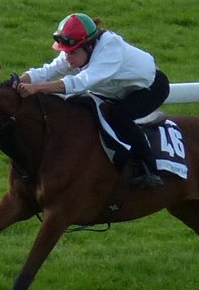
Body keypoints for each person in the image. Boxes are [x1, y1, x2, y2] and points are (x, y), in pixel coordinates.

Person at [14, 12, 170, 187]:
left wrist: (36, 88)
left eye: (72, 52)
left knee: (120, 116)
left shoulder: (110, 49)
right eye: (65, 52)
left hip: (150, 89)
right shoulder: (76, 50)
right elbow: (47, 71)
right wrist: (18, 81)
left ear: (89, 46)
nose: (67, 57)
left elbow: (79, 83)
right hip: (114, 91)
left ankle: (149, 169)